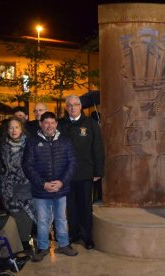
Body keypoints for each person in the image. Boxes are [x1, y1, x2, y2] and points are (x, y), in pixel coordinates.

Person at [23, 112, 78, 262]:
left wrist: (62, 182)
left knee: (61, 218)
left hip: (61, 189)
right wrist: (43, 184)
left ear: (56, 124)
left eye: (52, 123)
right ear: (40, 124)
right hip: (41, 189)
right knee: (42, 220)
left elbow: (72, 164)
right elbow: (27, 166)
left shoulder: (65, 141)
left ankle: (64, 244)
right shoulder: (32, 141)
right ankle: (42, 247)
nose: (49, 126)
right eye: (46, 123)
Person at [59, 95, 105, 250]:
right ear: (66, 107)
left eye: (75, 104)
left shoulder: (91, 124)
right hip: (66, 174)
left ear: (80, 107)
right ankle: (74, 234)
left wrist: (98, 171)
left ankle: (87, 237)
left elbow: (97, 148)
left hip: (85, 173)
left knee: (85, 206)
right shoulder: (61, 125)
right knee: (70, 207)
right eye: (69, 105)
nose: (72, 107)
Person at [0, 117, 36, 250]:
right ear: (7, 130)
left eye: (16, 127)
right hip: (9, 189)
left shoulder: (29, 144)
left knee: (26, 218)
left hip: (25, 187)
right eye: (11, 127)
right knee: (13, 220)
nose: (14, 130)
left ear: (22, 129)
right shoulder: (3, 145)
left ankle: (26, 245)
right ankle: (16, 247)